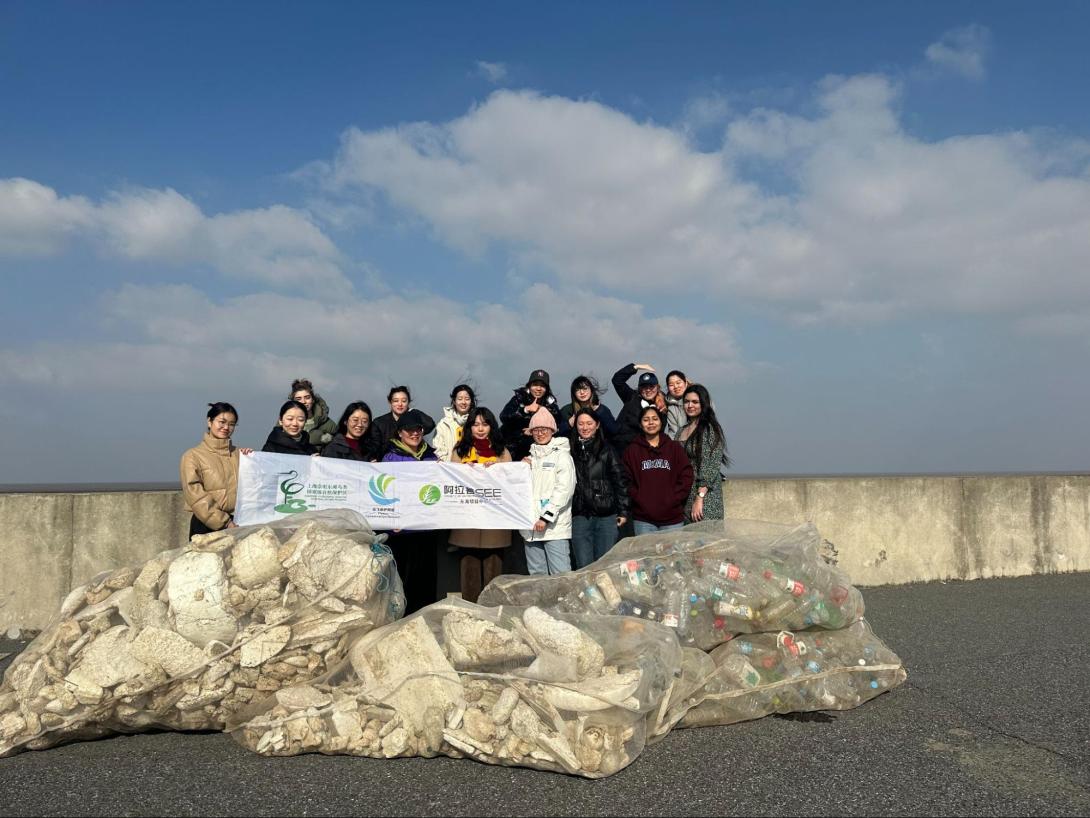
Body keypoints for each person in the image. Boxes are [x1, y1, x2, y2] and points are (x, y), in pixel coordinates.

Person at [381, 409, 441, 614]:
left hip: (426, 529)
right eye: (409, 430)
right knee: (402, 579)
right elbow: (384, 491)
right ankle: (400, 619)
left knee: (426, 578)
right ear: (400, 433)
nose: (414, 434)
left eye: (418, 429)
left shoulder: (432, 457)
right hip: (401, 531)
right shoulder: (390, 457)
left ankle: (424, 618)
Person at [449, 407, 512, 602]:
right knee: (469, 567)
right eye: (475, 424)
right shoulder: (460, 450)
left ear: (491, 426)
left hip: (494, 520)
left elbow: (512, 482)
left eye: (485, 424)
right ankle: (470, 610)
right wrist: (463, 472)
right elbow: (450, 481)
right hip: (468, 519)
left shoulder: (502, 451)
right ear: (469, 427)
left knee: (494, 567)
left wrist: (499, 470)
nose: (480, 429)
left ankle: (491, 610)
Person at [180, 402, 252, 538]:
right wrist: (225, 522)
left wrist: (252, 459)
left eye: (231, 424)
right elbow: (195, 496)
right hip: (206, 526)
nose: (226, 427)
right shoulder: (192, 456)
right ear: (209, 421)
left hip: (239, 523)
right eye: (222, 422)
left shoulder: (240, 454)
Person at [569, 408, 629, 568]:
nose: (585, 427)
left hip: (606, 515)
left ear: (597, 425)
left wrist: (623, 510)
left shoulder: (607, 450)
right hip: (580, 515)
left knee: (606, 565)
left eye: (589, 423)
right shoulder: (569, 451)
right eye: (580, 424)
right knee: (584, 565)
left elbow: (620, 480)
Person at [622, 405, 693, 535]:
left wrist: (674, 498)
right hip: (643, 520)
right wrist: (639, 499)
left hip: (672, 519)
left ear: (661, 422)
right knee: (647, 555)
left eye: (655, 419)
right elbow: (626, 480)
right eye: (646, 419)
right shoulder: (632, 451)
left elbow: (686, 475)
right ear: (640, 424)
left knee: (673, 555)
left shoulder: (674, 448)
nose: (651, 423)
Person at [521, 407, 576, 576]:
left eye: (544, 429)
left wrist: (546, 517)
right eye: (536, 430)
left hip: (554, 529)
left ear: (552, 430)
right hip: (530, 529)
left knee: (561, 576)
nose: (540, 433)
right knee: (537, 578)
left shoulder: (562, 456)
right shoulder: (529, 459)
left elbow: (564, 490)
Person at [676, 384, 730, 524]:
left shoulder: (709, 429)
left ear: (703, 404)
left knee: (706, 542)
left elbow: (710, 466)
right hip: (685, 495)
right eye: (686, 401)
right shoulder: (681, 430)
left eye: (695, 402)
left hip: (705, 498)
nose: (690, 405)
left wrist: (699, 498)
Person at [500, 369, 563, 460]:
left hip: (539, 450)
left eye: (542, 386)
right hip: (514, 448)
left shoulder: (550, 403)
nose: (538, 388)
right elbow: (504, 416)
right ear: (529, 386)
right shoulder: (518, 398)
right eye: (535, 385)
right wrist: (525, 409)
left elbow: (558, 421)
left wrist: (543, 410)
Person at [611, 362, 667, 454]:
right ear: (640, 389)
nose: (648, 390)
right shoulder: (631, 397)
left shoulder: (662, 405)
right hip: (620, 449)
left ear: (657, 387)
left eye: (651, 386)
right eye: (644, 387)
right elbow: (617, 380)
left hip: (643, 452)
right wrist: (636, 367)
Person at [371, 386, 436, 456]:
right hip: (388, 462)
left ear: (408, 402)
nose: (400, 404)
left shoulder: (415, 419)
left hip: (413, 460)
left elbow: (430, 424)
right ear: (390, 402)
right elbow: (374, 447)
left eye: (404, 401)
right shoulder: (379, 423)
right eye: (396, 401)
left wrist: (413, 410)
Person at [559, 375, 619, 442]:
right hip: (575, 448)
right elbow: (557, 434)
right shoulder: (567, 410)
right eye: (577, 390)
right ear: (574, 394)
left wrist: (600, 412)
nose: (582, 392)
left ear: (591, 390)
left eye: (585, 389)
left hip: (599, 448)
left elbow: (614, 431)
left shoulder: (602, 410)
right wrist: (568, 424)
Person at [290, 378, 337, 452]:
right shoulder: (286, 421)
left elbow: (340, 444)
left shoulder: (326, 422)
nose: (303, 402)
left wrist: (326, 439)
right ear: (293, 402)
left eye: (307, 397)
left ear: (313, 400)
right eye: (298, 399)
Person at [433, 384, 476, 462]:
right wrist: (452, 465)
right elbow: (437, 449)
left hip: (473, 469)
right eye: (460, 399)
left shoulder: (477, 422)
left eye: (467, 399)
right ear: (454, 401)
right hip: (451, 470)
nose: (463, 402)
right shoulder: (444, 424)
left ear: (471, 402)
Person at [664, 369, 689, 439]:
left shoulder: (698, 397)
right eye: (671, 385)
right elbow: (673, 432)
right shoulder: (670, 406)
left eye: (678, 383)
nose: (676, 387)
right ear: (668, 388)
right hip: (680, 445)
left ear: (686, 383)